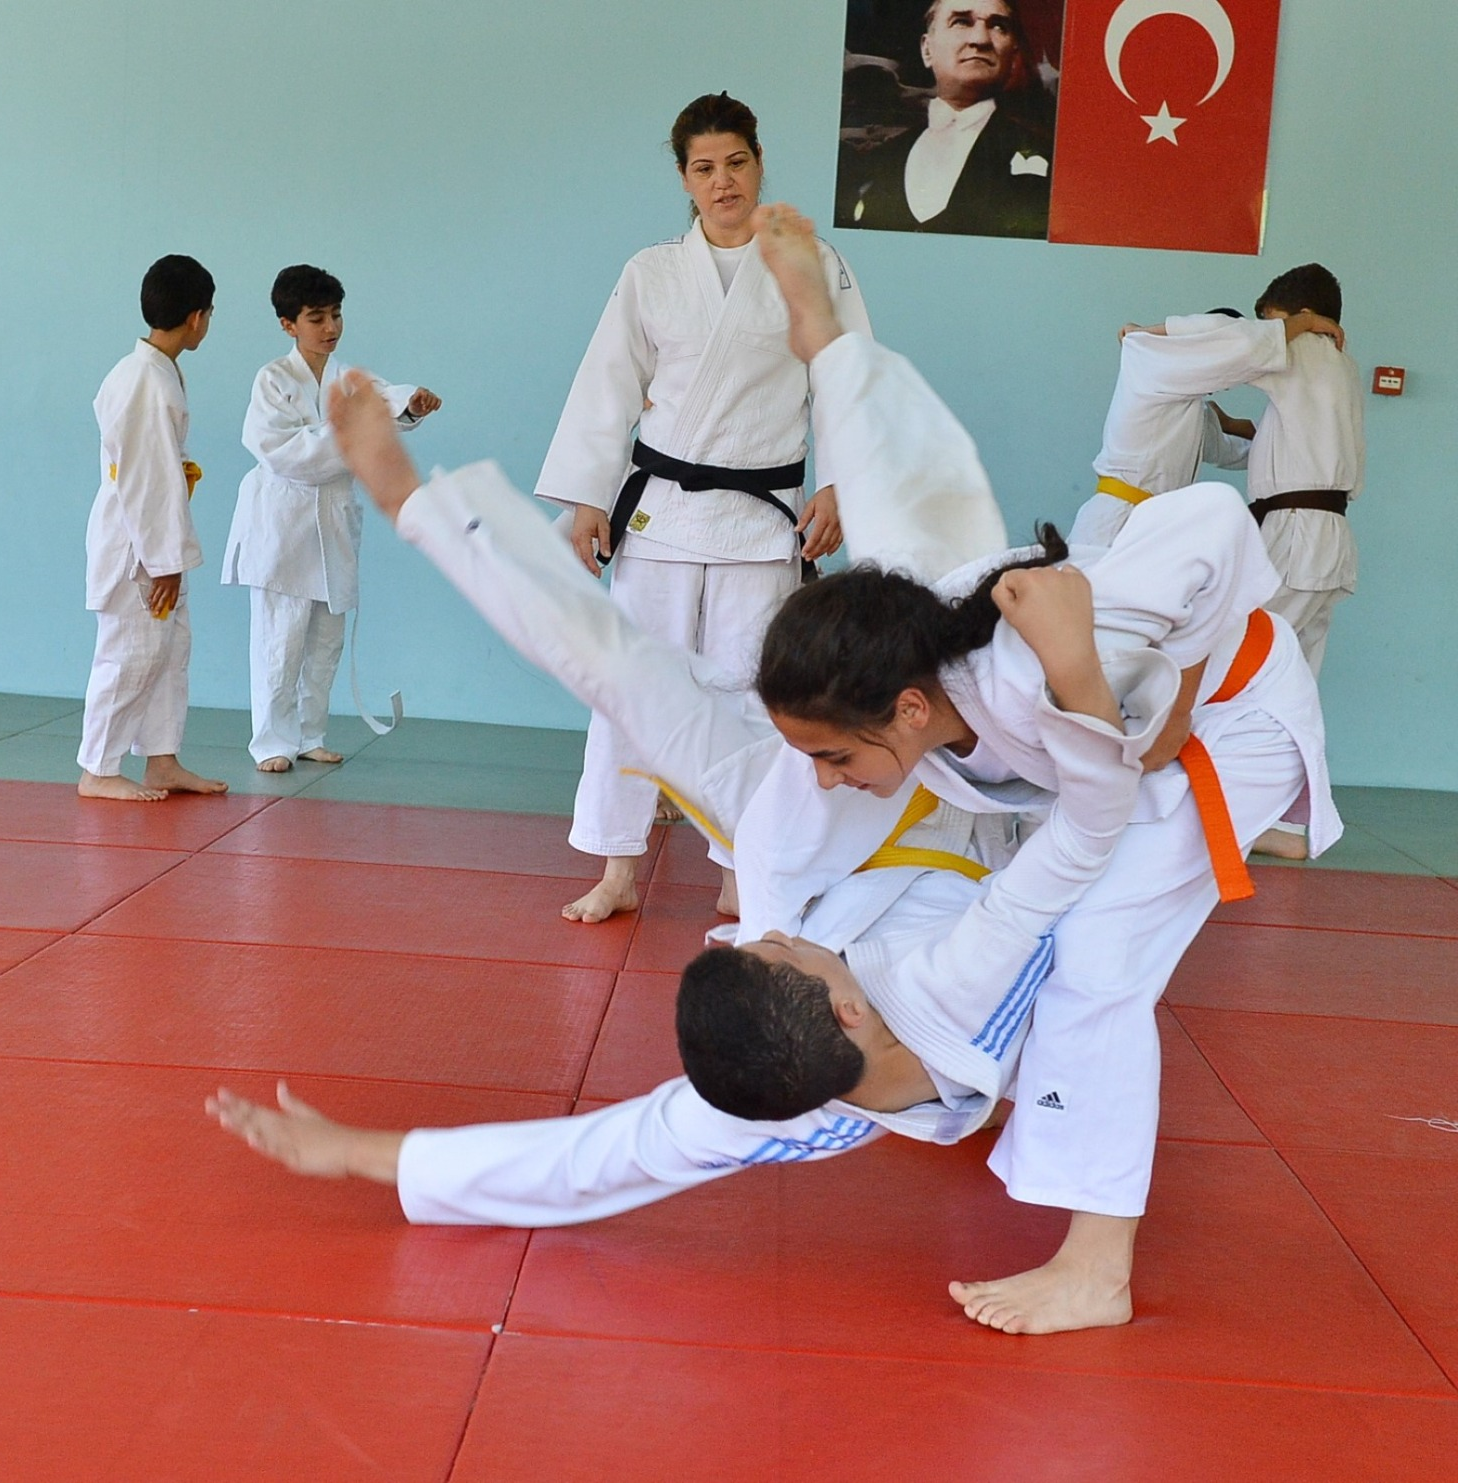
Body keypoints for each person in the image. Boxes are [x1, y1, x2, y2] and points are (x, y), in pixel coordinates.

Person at [210, 343, 1186, 1282]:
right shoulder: (949, 1006)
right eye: (762, 950)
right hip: (958, 805)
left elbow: (608, 1151)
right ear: (847, 1010)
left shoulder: (782, 1015)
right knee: (1018, 651)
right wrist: (1103, 692)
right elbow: (1088, 827)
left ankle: (414, 503)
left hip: (803, 828)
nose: (746, 938)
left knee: (620, 670)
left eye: (749, 945)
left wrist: (367, 1154)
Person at [725, 204, 1336, 1334]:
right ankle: (1022, 1094)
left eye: (836, 754)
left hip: (1226, 720)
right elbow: (874, 452)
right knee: (989, 889)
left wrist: (1158, 693)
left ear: (910, 711)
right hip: (1095, 733)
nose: (822, 776)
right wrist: (815, 318)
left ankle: (1097, 1268)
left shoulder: (1040, 653)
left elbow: (1213, 515)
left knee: (1096, 954)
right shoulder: (896, 628)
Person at [537, 91, 870, 925]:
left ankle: (739, 871)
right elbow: (608, 384)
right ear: (684, 178)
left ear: (759, 163)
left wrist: (839, 483)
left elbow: (844, 378)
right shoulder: (651, 272)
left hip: (763, 518)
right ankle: (618, 866)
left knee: (752, 703)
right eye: (704, 168)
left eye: (736, 163)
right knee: (630, 691)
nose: (723, 181)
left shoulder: (811, 263)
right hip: (660, 517)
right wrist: (588, 497)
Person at [222, 265, 440, 772]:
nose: (330, 327)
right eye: (316, 318)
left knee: (325, 638)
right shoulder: (273, 379)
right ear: (288, 324)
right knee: (280, 639)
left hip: (333, 518)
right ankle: (271, 742)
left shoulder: (347, 380)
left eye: (336, 315)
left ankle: (310, 733)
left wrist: (410, 402)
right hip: (283, 521)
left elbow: (384, 400)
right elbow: (282, 452)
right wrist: (353, 433)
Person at [1218, 265, 1364, 861]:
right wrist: (1230, 427)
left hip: (1298, 534)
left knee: (1244, 666)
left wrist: (1148, 334)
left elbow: (1227, 342)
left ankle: (1237, 812)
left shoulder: (1303, 347)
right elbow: (1284, 440)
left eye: (1273, 320)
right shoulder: (1339, 365)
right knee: (1293, 682)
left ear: (1301, 316)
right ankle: (1276, 820)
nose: (1267, 331)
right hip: (1325, 537)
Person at [77, 255, 228, 803]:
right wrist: (164, 561)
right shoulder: (144, 379)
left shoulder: (153, 370)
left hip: (155, 534)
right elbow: (146, 479)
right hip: (137, 545)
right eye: (209, 313)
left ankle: (161, 760)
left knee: (168, 650)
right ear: (196, 317)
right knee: (130, 652)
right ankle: (98, 768)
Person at [1069, 306, 1346, 550]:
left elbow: (1235, 453)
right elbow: (1246, 347)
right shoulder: (1156, 366)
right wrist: (1306, 322)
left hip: (1151, 527)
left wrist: (1293, 443)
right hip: (1114, 521)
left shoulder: (1195, 412)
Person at [835, 1, 1054, 239]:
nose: (980, 39)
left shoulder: (1046, 155)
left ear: (1012, 57)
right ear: (927, 50)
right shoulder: (882, 159)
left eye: (998, 26)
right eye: (961, 22)